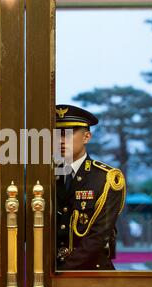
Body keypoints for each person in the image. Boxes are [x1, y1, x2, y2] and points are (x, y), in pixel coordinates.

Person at [55, 104, 126, 270]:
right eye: (57, 134)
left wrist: (63, 272)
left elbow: (98, 235)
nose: (61, 140)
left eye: (69, 133)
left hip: (92, 271)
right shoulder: (47, 176)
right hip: (52, 272)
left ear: (86, 137)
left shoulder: (106, 178)